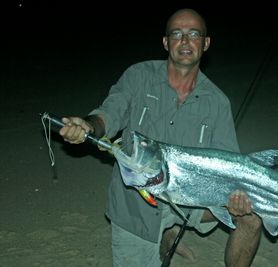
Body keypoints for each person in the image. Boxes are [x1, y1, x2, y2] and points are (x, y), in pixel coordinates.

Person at [59, 8, 262, 267]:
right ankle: (165, 234)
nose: (185, 41)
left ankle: (171, 229)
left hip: (191, 197)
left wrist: (236, 198)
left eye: (194, 34)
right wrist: (88, 126)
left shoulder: (217, 102)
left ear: (205, 43)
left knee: (251, 217)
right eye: (177, 34)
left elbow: (227, 163)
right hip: (138, 203)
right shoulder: (138, 77)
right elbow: (109, 114)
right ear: (166, 42)